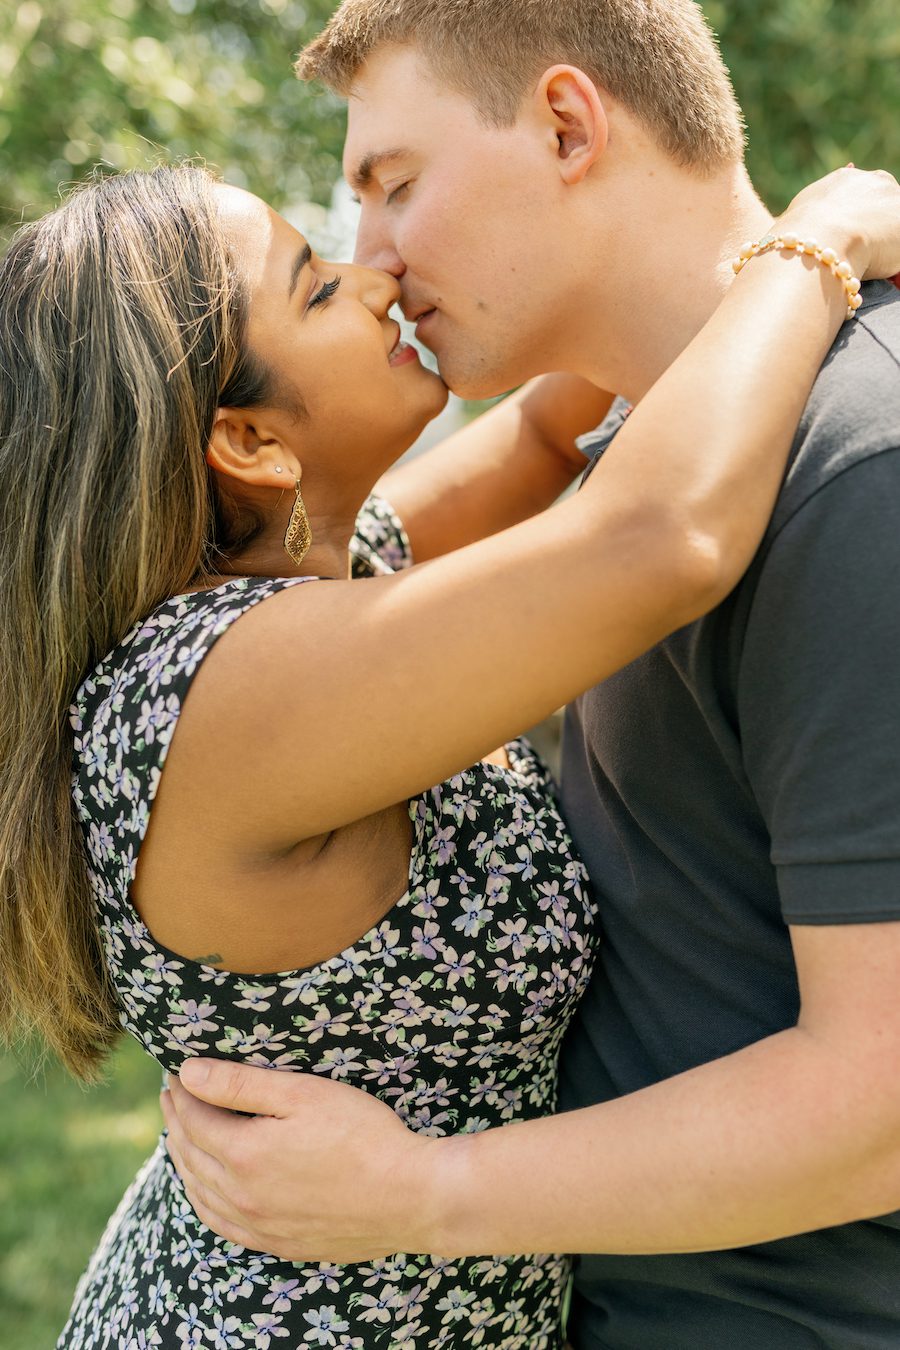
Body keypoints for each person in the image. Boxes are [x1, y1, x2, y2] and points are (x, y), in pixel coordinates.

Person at [0, 158, 893, 1348]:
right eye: (316, 290)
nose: (373, 274)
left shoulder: (326, 575)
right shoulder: (221, 698)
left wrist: (643, 221)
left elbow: (540, 439)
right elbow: (658, 535)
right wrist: (813, 246)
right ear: (253, 442)